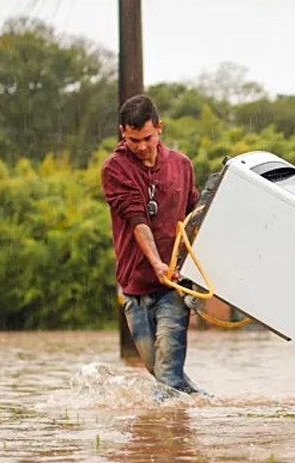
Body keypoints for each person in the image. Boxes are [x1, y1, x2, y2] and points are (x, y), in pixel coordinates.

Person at [101, 94, 202, 395]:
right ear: (122, 132)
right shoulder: (114, 169)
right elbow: (137, 220)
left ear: (160, 128)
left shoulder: (182, 165)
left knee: (168, 376)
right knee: (161, 374)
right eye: (133, 140)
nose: (142, 146)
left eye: (147, 137)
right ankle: (211, 409)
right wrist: (155, 263)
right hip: (135, 287)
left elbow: (194, 216)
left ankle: (167, 440)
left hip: (173, 286)